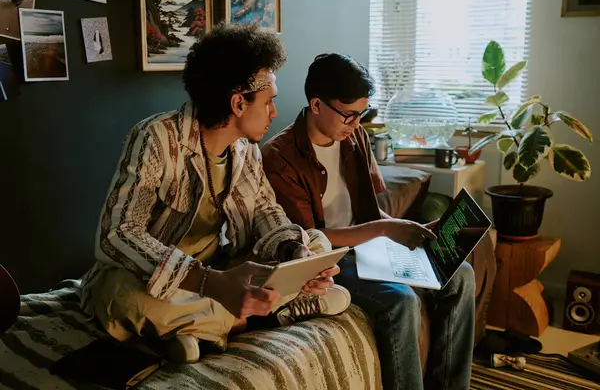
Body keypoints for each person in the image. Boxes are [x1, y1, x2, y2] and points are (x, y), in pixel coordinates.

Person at [80, 25, 350, 364]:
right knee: (119, 297)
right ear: (238, 102)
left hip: (218, 268)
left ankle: (196, 329)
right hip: (153, 277)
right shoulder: (156, 137)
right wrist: (209, 283)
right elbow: (117, 234)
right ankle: (256, 315)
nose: (274, 113)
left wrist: (294, 254)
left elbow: (265, 210)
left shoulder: (246, 150)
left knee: (314, 243)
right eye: (269, 103)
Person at [261, 53, 476, 390]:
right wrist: (388, 229)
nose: (356, 124)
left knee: (460, 274)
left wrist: (409, 229)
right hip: (330, 259)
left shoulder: (355, 137)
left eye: (362, 114)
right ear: (316, 105)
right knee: (401, 300)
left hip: (371, 246)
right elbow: (309, 239)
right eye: (349, 115)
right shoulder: (279, 157)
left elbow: (371, 212)